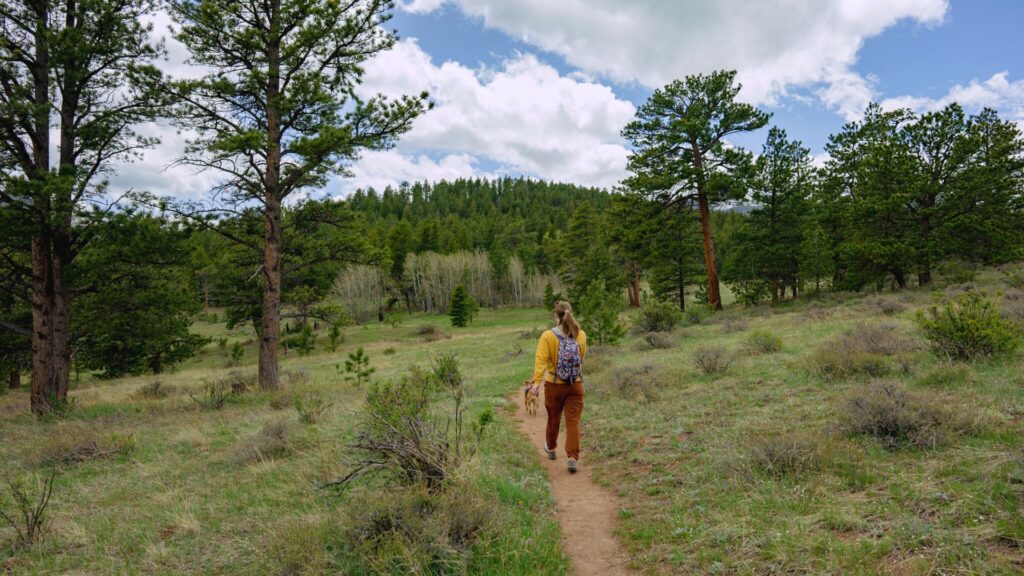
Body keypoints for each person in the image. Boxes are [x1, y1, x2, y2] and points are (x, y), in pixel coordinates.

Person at [529, 300, 587, 473]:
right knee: (573, 421)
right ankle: (572, 458)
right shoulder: (581, 334)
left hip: (554, 385)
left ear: (556, 315)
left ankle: (552, 448)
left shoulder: (548, 336)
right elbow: (581, 358)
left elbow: (541, 361)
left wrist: (536, 383)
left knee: (553, 418)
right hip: (575, 384)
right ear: (571, 313)